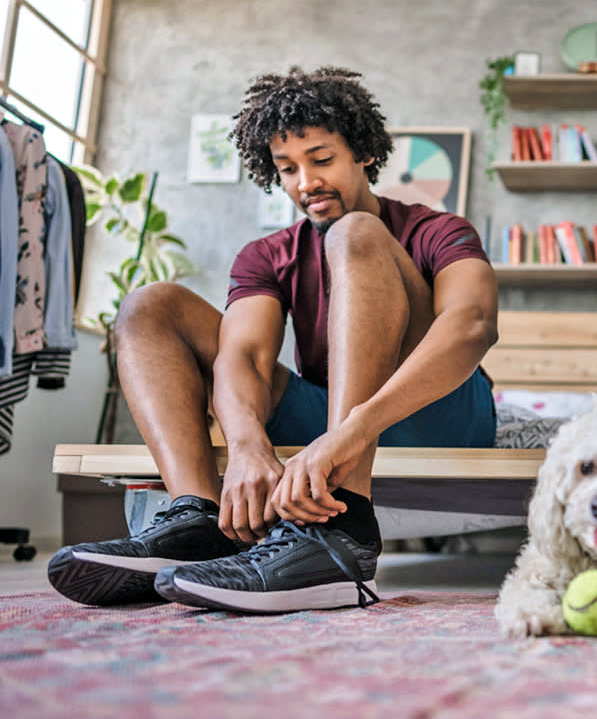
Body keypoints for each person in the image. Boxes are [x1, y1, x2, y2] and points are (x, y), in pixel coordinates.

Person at [48, 66, 498, 612]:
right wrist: (245, 445)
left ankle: (343, 537)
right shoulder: (268, 255)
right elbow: (244, 356)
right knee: (151, 306)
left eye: (322, 159)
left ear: (365, 154)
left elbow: (472, 324)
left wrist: (354, 430)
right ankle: (198, 520)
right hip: (329, 421)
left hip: (442, 414)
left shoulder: (436, 229)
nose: (305, 182)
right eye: (288, 168)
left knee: (354, 232)